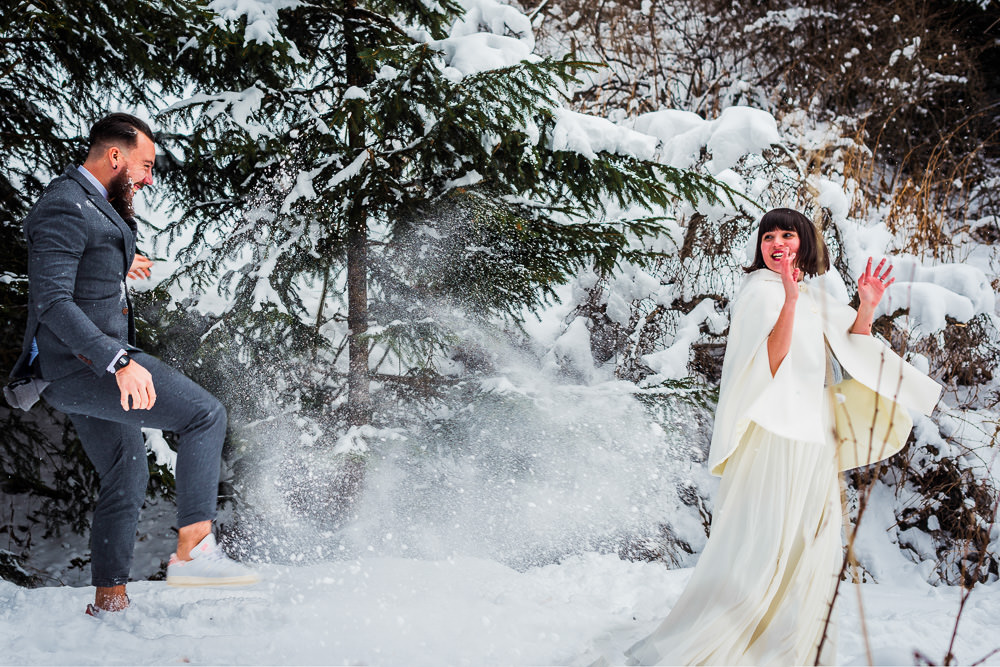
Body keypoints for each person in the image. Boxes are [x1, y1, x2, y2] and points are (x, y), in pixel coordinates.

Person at [624, 208, 941, 665]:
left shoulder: (812, 293)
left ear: (803, 242)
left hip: (812, 435)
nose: (777, 243)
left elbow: (854, 347)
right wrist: (789, 301)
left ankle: (790, 650)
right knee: (764, 541)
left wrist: (866, 306)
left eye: (787, 235)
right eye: (768, 236)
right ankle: (733, 641)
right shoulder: (758, 292)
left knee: (808, 545)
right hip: (773, 434)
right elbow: (768, 365)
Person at [7, 113, 258, 615]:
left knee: (126, 474)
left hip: (79, 370)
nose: (148, 178)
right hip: (83, 367)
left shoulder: (90, 205)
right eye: (144, 165)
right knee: (203, 415)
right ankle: (193, 551)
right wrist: (118, 360)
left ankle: (109, 601)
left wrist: (119, 262)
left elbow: (79, 267)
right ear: (114, 156)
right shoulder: (64, 206)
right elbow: (53, 302)